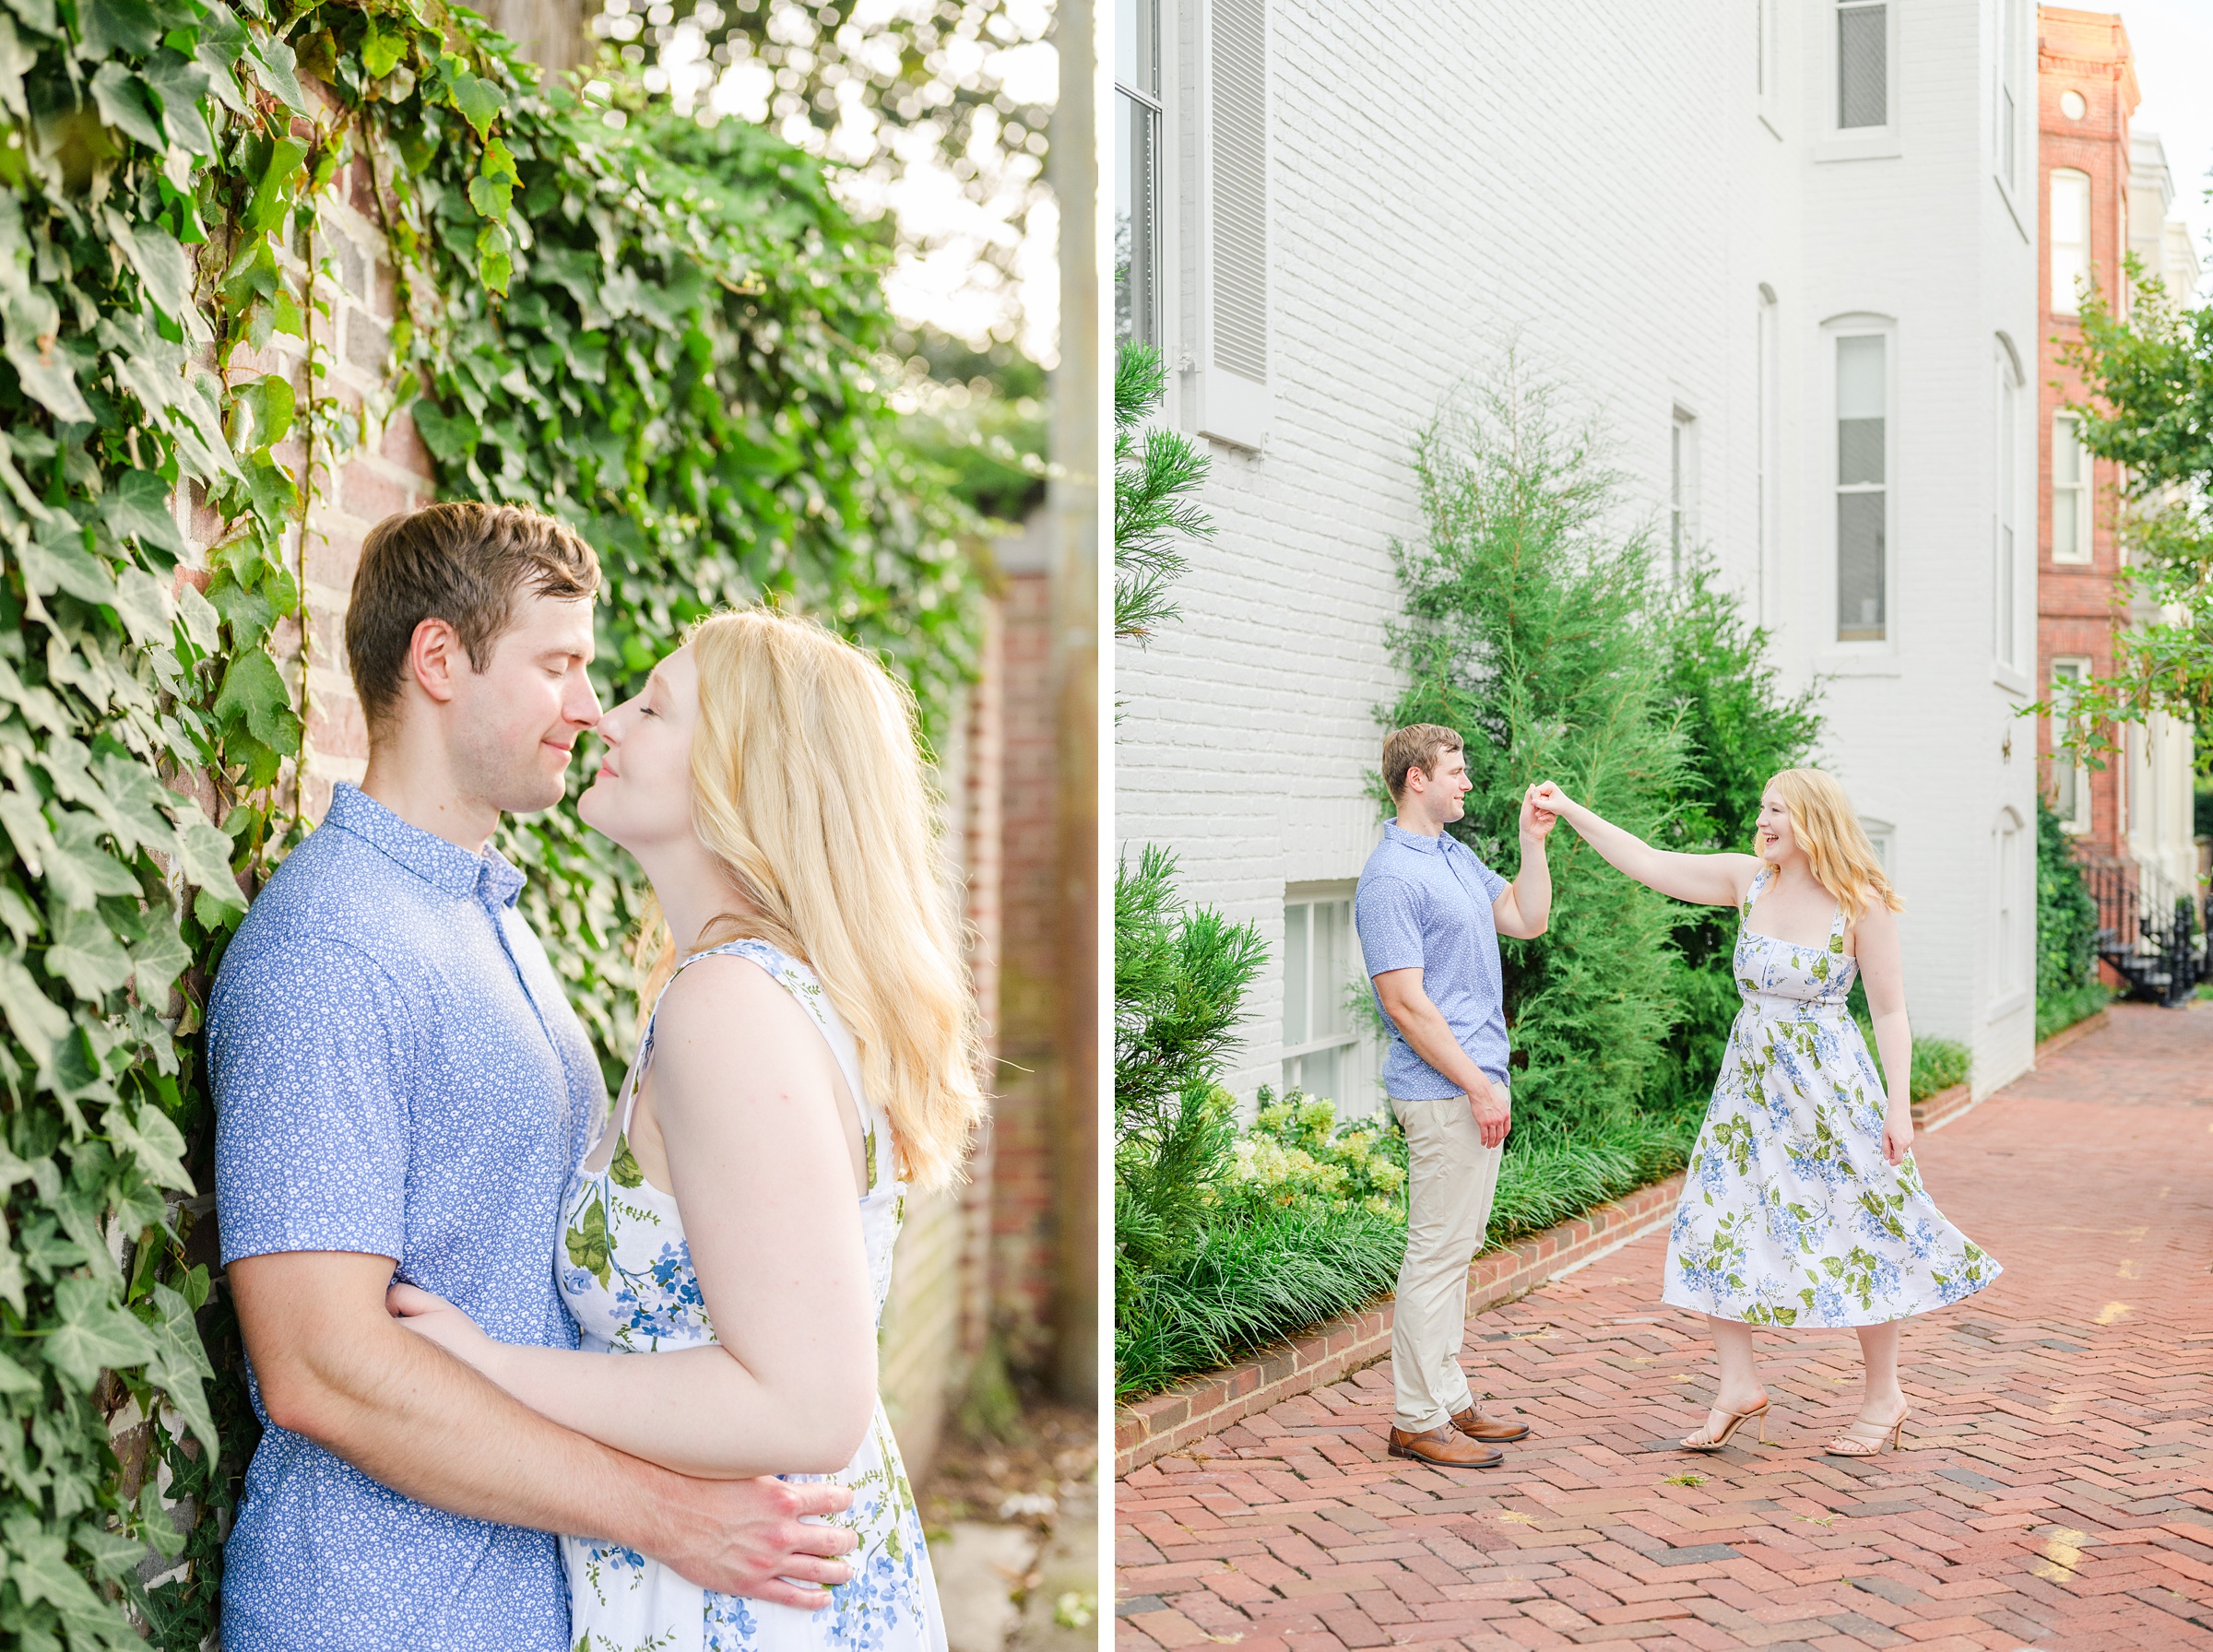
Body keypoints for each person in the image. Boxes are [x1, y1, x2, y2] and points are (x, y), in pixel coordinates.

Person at [210, 504, 858, 1651]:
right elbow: (320, 1368)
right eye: (558, 664)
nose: (589, 706)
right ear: (440, 659)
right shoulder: (330, 947)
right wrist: (668, 1516)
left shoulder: (488, 918)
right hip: (383, 1611)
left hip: (527, 1601)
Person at [385, 605, 982, 1652]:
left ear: (743, 777)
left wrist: (492, 1368)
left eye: (654, 707)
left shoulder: (731, 1009)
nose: (605, 718)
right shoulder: (752, 989)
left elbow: (808, 1406)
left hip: (743, 1596)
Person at [1528, 770, 2000, 1457]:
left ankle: (1884, 1396)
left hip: (1832, 1094)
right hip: (1748, 1097)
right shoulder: (1747, 880)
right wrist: (1570, 810)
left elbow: (1891, 1012)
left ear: (1811, 819)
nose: (1762, 820)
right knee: (1715, 1223)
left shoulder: (1858, 902)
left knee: (1864, 1229)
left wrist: (1900, 1108)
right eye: (1762, 809)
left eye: (1775, 809)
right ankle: (1737, 1387)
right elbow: (1651, 862)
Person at [1353, 724, 1555, 1469]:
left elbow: (1526, 919)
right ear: (1416, 779)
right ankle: (1414, 1417)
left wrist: (1533, 843)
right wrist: (1475, 1084)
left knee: (1458, 1249)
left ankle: (1449, 1397)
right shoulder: (1390, 878)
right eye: (1456, 771)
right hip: (1443, 1094)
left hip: (1475, 1087)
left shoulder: (1452, 855)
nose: (1468, 783)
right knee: (1435, 1255)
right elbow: (1405, 1004)